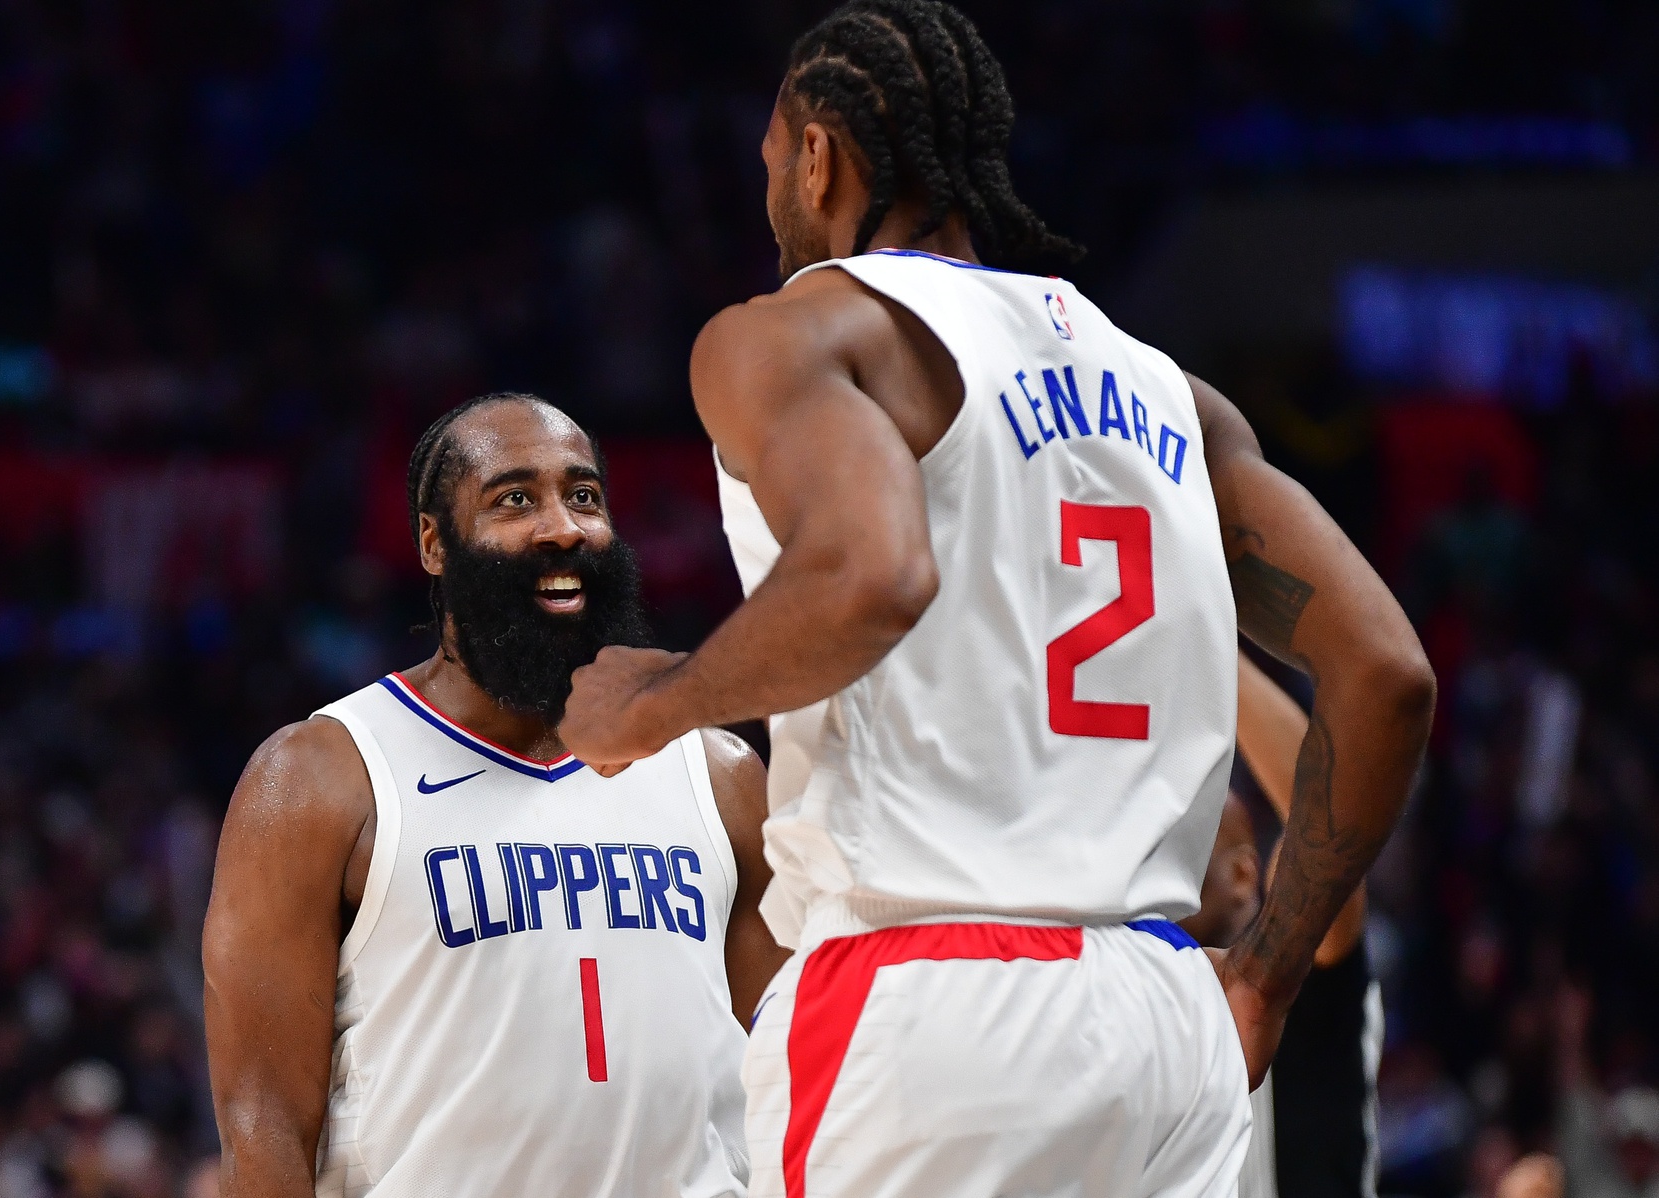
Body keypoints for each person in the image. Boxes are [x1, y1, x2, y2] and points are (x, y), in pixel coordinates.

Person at [558, 2, 1436, 1195]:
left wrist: (651, 703)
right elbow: (1387, 672)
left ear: (819, 156)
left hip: (932, 1010)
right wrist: (1269, 973)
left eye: (771, 165)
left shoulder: (796, 334)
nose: (770, 205)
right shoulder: (1172, 390)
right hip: (1165, 1021)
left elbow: (875, 574)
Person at [201, 393, 788, 1196]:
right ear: (434, 543)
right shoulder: (319, 778)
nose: (562, 527)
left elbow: (791, 1069)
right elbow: (263, 1121)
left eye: (583, 496)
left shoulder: (717, 773)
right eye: (515, 500)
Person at [1183, 654, 1382, 1198]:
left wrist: (1210, 636)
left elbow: (1321, 814)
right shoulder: (1147, 973)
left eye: (1184, 843)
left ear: (1243, 874)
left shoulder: (1304, 962)